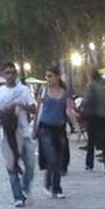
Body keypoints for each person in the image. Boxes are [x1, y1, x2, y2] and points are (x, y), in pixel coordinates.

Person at [0, 61, 37, 208]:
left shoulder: (24, 90)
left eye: (12, 72)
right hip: (7, 134)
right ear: (3, 74)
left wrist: (19, 105)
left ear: (16, 74)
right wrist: (7, 110)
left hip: (24, 133)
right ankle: (18, 196)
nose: (10, 75)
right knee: (11, 166)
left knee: (30, 164)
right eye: (7, 73)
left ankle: (25, 185)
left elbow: (33, 109)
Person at [35, 65, 78, 199]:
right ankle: (48, 181)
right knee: (52, 157)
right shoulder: (43, 91)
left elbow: (69, 110)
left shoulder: (65, 93)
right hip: (45, 128)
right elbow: (38, 110)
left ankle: (57, 188)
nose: (48, 79)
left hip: (59, 128)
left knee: (59, 159)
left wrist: (75, 123)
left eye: (51, 76)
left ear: (58, 77)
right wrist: (34, 128)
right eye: (47, 76)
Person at [82, 68, 105, 174]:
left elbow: (87, 101)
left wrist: (84, 115)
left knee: (91, 142)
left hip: (94, 117)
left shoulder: (91, 87)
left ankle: (89, 164)